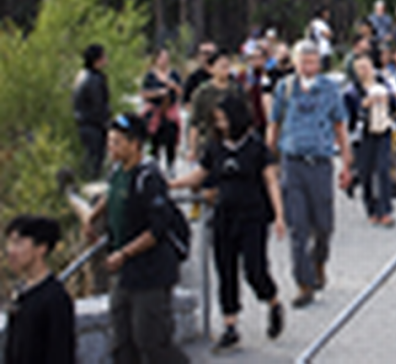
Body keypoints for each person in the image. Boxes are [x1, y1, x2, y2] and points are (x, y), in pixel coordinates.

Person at [170, 95, 286, 351]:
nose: (221, 125)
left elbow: (270, 181)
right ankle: (230, 325)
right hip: (224, 215)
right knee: (226, 270)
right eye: (217, 121)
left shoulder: (256, 146)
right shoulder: (215, 147)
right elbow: (201, 174)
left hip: (253, 215)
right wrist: (173, 184)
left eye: (224, 119)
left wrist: (279, 215)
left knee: (254, 269)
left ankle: (273, 301)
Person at [83, 114, 189, 364]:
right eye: (110, 141)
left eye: (117, 142)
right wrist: (92, 218)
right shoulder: (117, 170)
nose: (111, 148)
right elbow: (110, 195)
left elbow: (157, 229)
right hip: (125, 272)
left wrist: (124, 254)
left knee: (151, 340)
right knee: (121, 341)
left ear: (135, 144)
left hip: (150, 271)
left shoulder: (149, 177)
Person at [267, 40, 353, 308]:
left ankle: (318, 261)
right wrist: (269, 157)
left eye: (313, 61)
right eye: (304, 61)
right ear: (295, 62)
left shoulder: (329, 89)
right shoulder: (286, 87)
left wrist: (347, 161)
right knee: (298, 226)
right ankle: (303, 282)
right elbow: (274, 123)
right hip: (293, 161)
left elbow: (340, 124)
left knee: (324, 224)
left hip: (321, 160)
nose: (309, 66)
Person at [4, 215, 76, 364]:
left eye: (18, 243)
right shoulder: (21, 292)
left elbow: (60, 354)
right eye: (10, 243)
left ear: (41, 248)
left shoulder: (55, 298)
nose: (11, 251)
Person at [343, 54, 396, 226]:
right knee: (365, 172)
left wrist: (389, 101)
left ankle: (385, 210)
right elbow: (348, 118)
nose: (364, 71)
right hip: (363, 134)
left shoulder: (384, 83)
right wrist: (363, 106)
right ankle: (371, 207)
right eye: (360, 68)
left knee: (383, 169)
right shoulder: (352, 91)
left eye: (366, 66)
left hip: (383, 129)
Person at [188, 49, 246, 163]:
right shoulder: (202, 93)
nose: (225, 70)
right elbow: (194, 123)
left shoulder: (237, 91)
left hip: (233, 144)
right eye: (221, 66)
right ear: (211, 68)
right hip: (208, 144)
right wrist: (192, 149)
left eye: (227, 66)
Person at [140, 47, 183, 176]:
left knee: (171, 139)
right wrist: (157, 93)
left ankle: (171, 165)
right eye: (162, 58)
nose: (164, 61)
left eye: (166, 58)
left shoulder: (174, 74)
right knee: (154, 140)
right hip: (155, 111)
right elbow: (143, 93)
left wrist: (173, 86)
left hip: (170, 111)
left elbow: (181, 91)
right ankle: (154, 166)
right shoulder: (150, 75)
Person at [73, 43, 111, 179]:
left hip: (83, 123)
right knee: (94, 162)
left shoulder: (82, 75)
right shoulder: (94, 79)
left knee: (89, 159)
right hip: (93, 125)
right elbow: (98, 105)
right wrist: (106, 125)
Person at [182, 40, 217, 109]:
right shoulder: (193, 79)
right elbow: (186, 103)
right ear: (199, 56)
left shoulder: (227, 76)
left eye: (211, 53)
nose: (208, 56)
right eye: (205, 53)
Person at [307, 7, 335, 72]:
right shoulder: (318, 23)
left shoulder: (315, 23)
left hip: (321, 50)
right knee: (325, 70)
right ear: (322, 13)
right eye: (327, 12)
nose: (328, 14)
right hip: (321, 50)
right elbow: (328, 34)